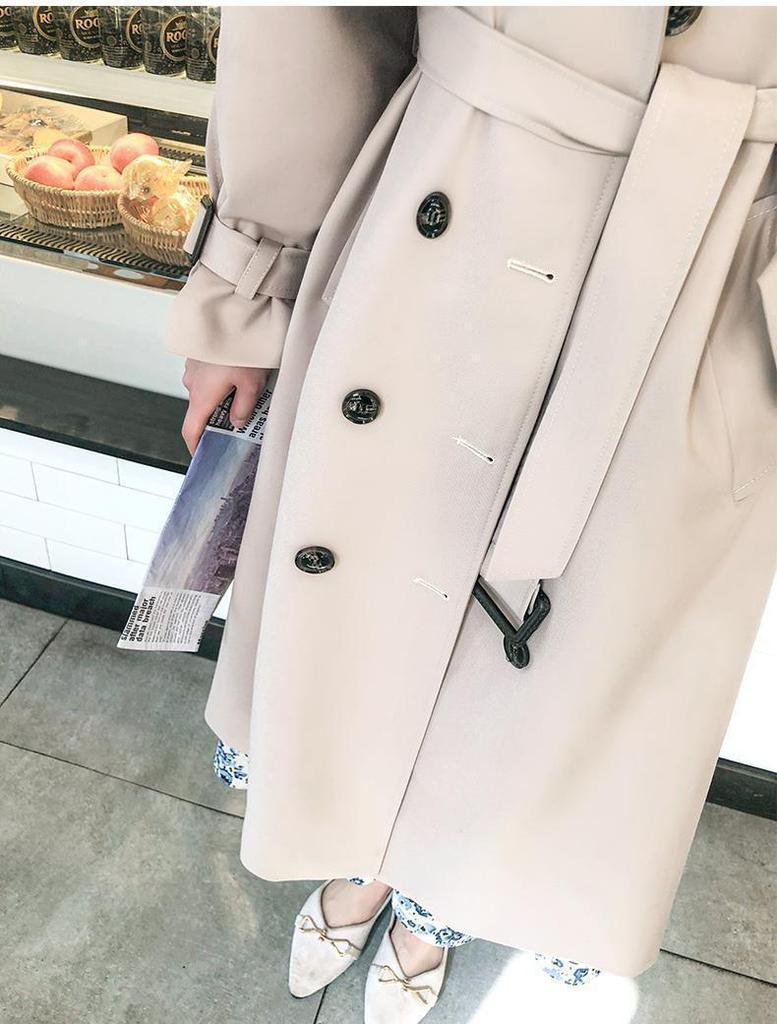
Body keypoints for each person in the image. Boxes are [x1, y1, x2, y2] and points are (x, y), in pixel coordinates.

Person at [171, 7, 777, 1022]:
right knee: (373, 623)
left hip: (712, 286)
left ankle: (433, 911)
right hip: (457, 205)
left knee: (547, 679)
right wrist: (248, 277)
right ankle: (362, 860)